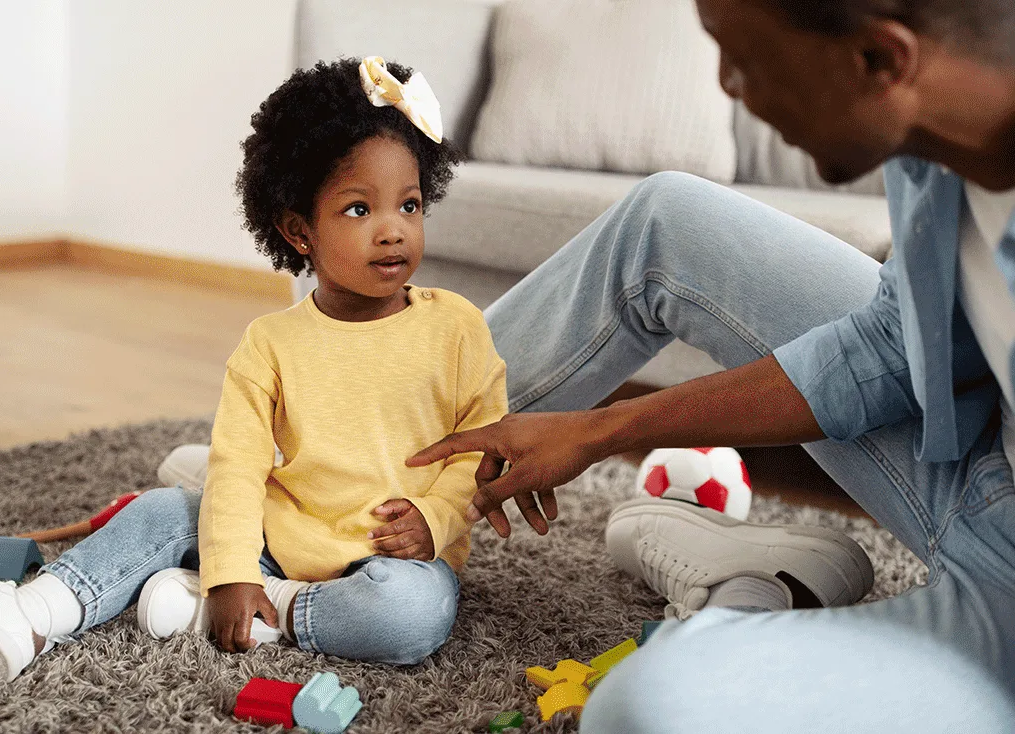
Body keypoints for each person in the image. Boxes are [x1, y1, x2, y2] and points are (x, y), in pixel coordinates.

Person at [398, 0, 1015, 729]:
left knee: (643, 711)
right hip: (973, 449)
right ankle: (346, 477)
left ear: (881, 61)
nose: (727, 85)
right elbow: (892, 350)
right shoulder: (933, 143)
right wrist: (598, 431)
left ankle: (748, 596)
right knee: (670, 221)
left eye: (743, 59)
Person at [0, 57, 507, 680]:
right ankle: (27, 615)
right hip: (277, 536)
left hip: (397, 563)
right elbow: (237, 467)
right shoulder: (270, 344)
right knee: (160, 512)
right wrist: (231, 570)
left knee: (412, 618)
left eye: (411, 205)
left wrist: (435, 520)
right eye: (359, 210)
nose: (394, 231)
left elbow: (481, 448)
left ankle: (264, 614)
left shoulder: (455, 327)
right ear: (298, 230)